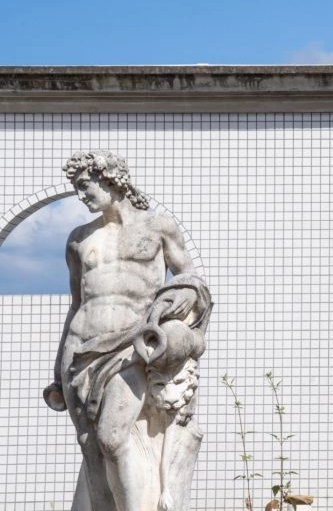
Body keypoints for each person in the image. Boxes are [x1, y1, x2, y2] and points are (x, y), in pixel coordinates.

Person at [43, 150, 212, 511]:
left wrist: (182, 296)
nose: (81, 196)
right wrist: (58, 368)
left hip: (129, 346)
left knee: (112, 438)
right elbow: (76, 303)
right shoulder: (78, 239)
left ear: (110, 180)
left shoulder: (157, 227)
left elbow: (190, 279)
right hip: (79, 348)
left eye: (85, 186)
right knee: (90, 446)